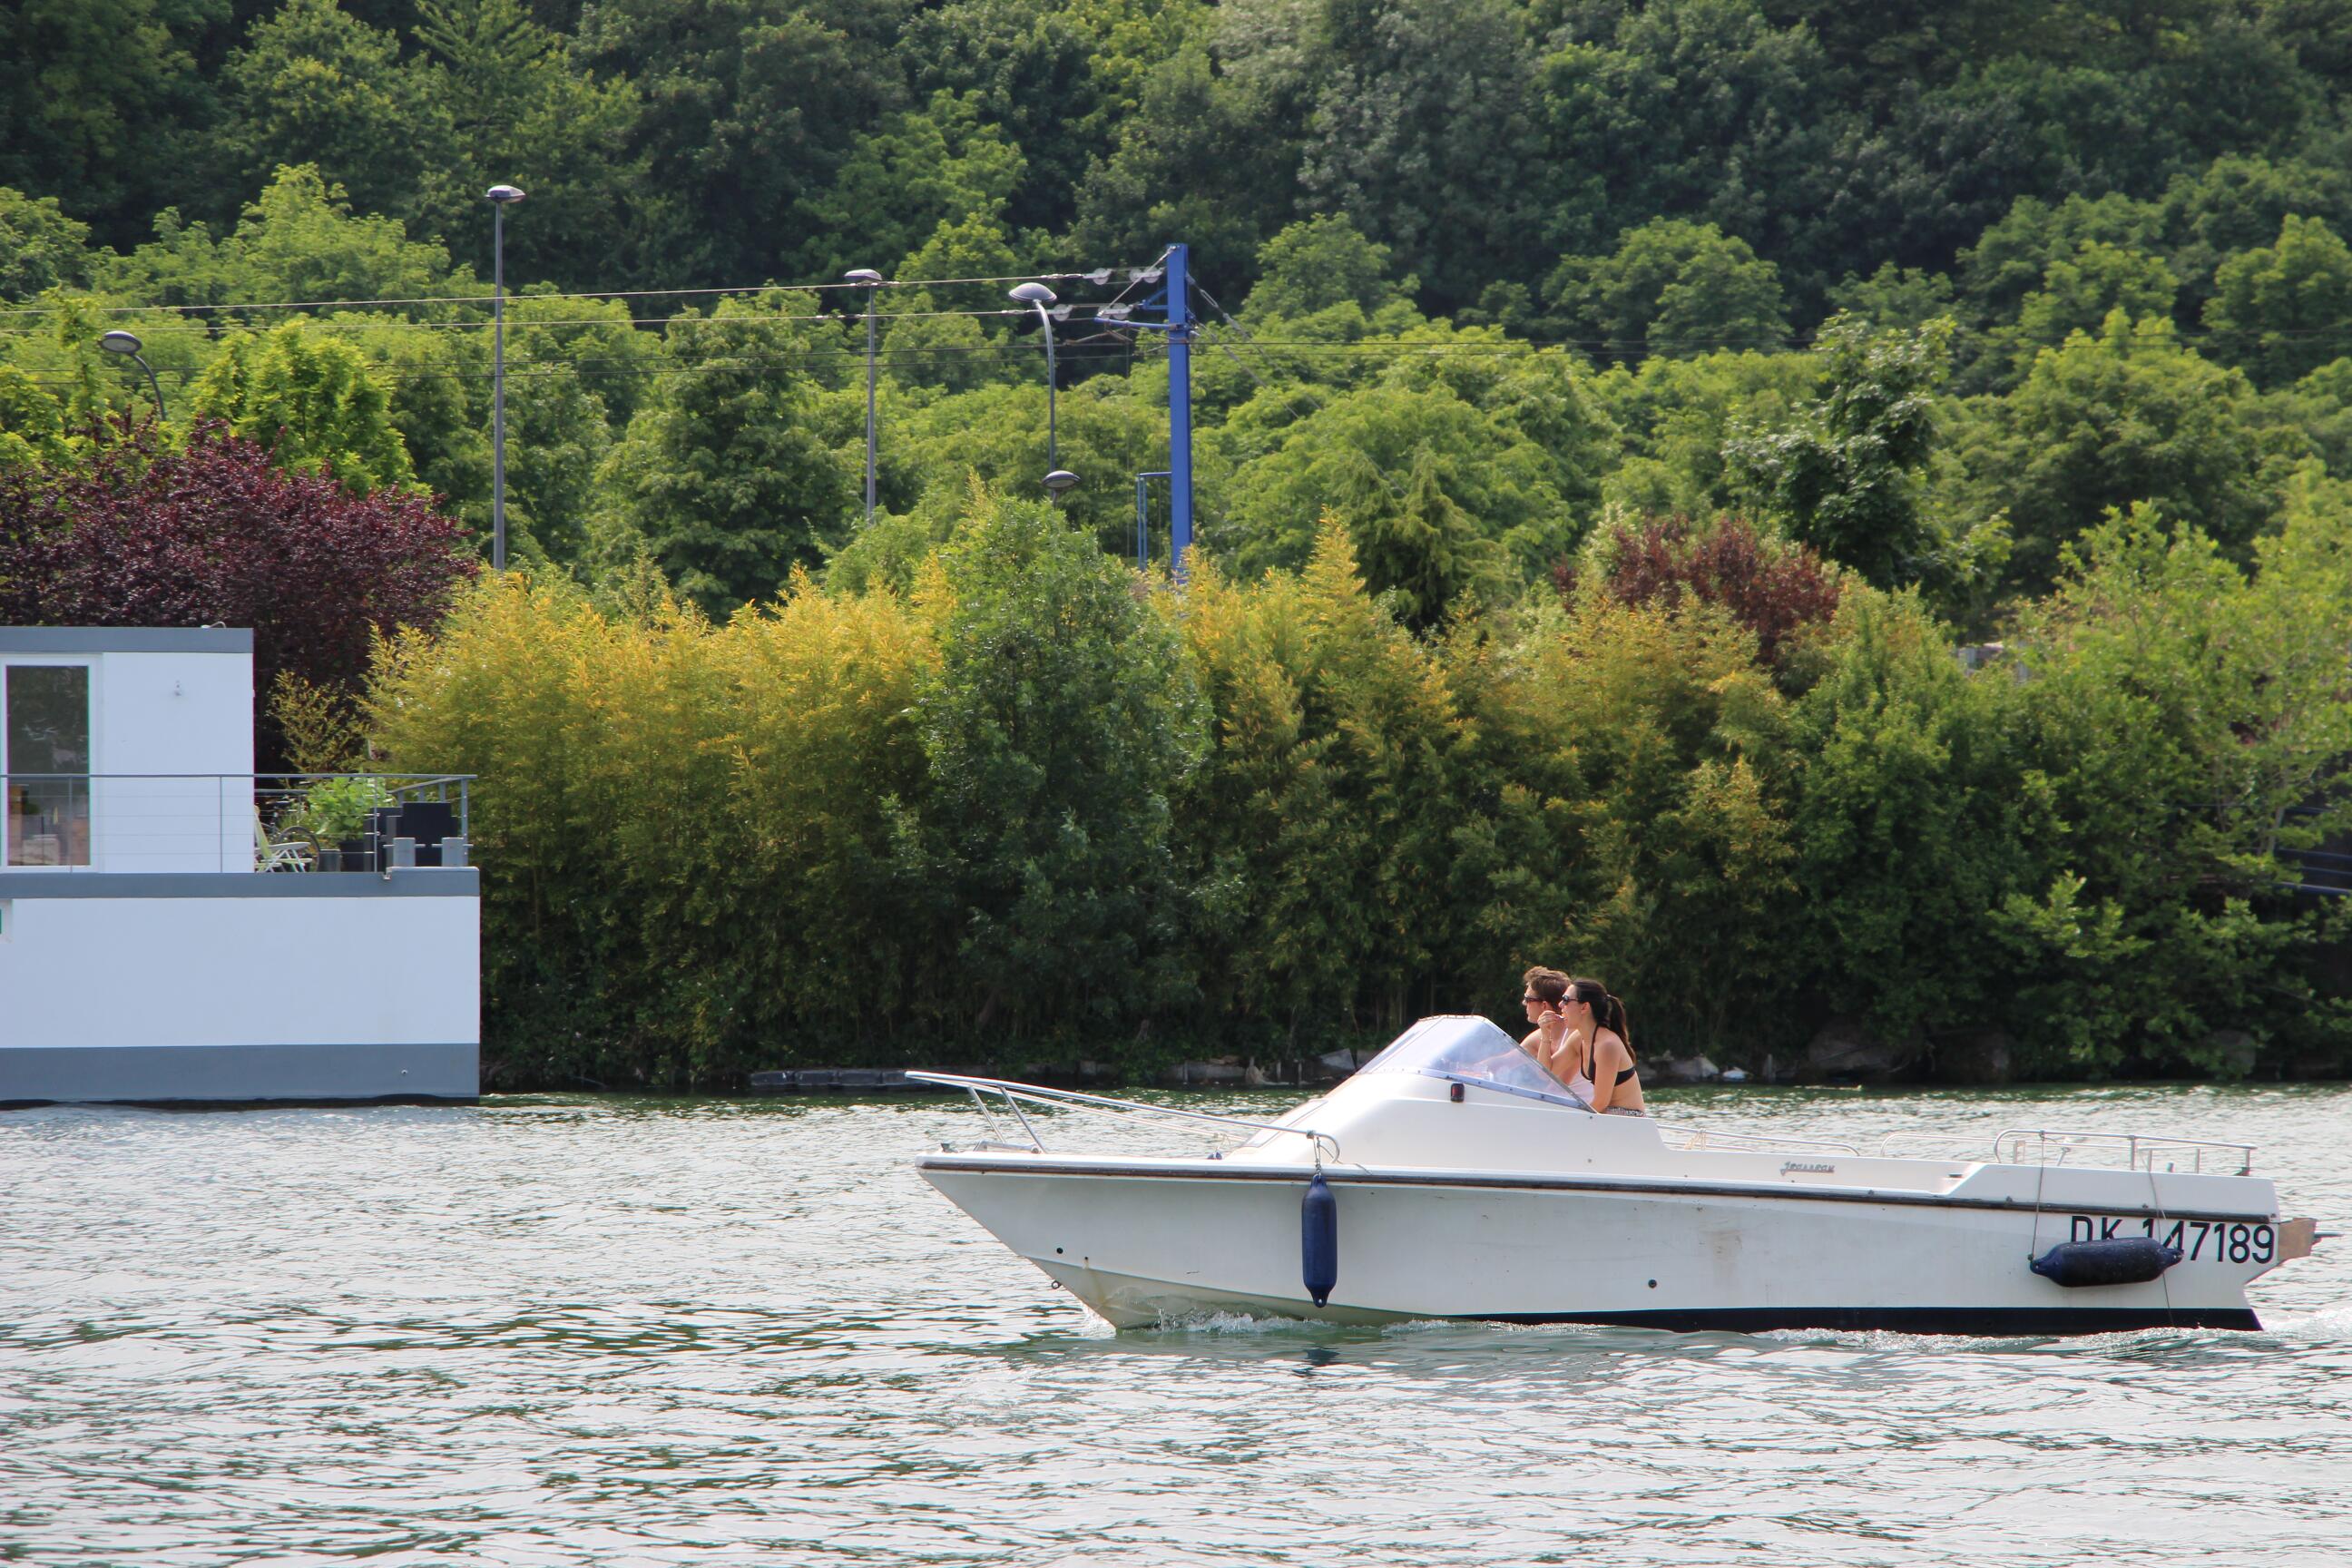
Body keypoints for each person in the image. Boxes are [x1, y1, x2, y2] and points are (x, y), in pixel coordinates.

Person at [1559, 977, 1645, 1115]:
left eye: (1566, 1000)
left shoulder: (1607, 1045)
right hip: (1607, 1117)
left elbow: (1600, 1102)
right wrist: (1546, 1036)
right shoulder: (1578, 1038)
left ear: (1584, 1007)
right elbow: (1547, 1069)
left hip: (1627, 1119)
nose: (1560, 1004)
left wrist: (1570, 1120)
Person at [1517, 966, 1594, 1101]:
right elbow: (1507, 1060)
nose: (1523, 1003)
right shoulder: (1540, 1036)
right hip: (1563, 1110)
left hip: (1585, 1113)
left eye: (1528, 999)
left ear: (1544, 1006)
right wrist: (1474, 1069)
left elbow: (1558, 1087)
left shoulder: (1576, 1036)